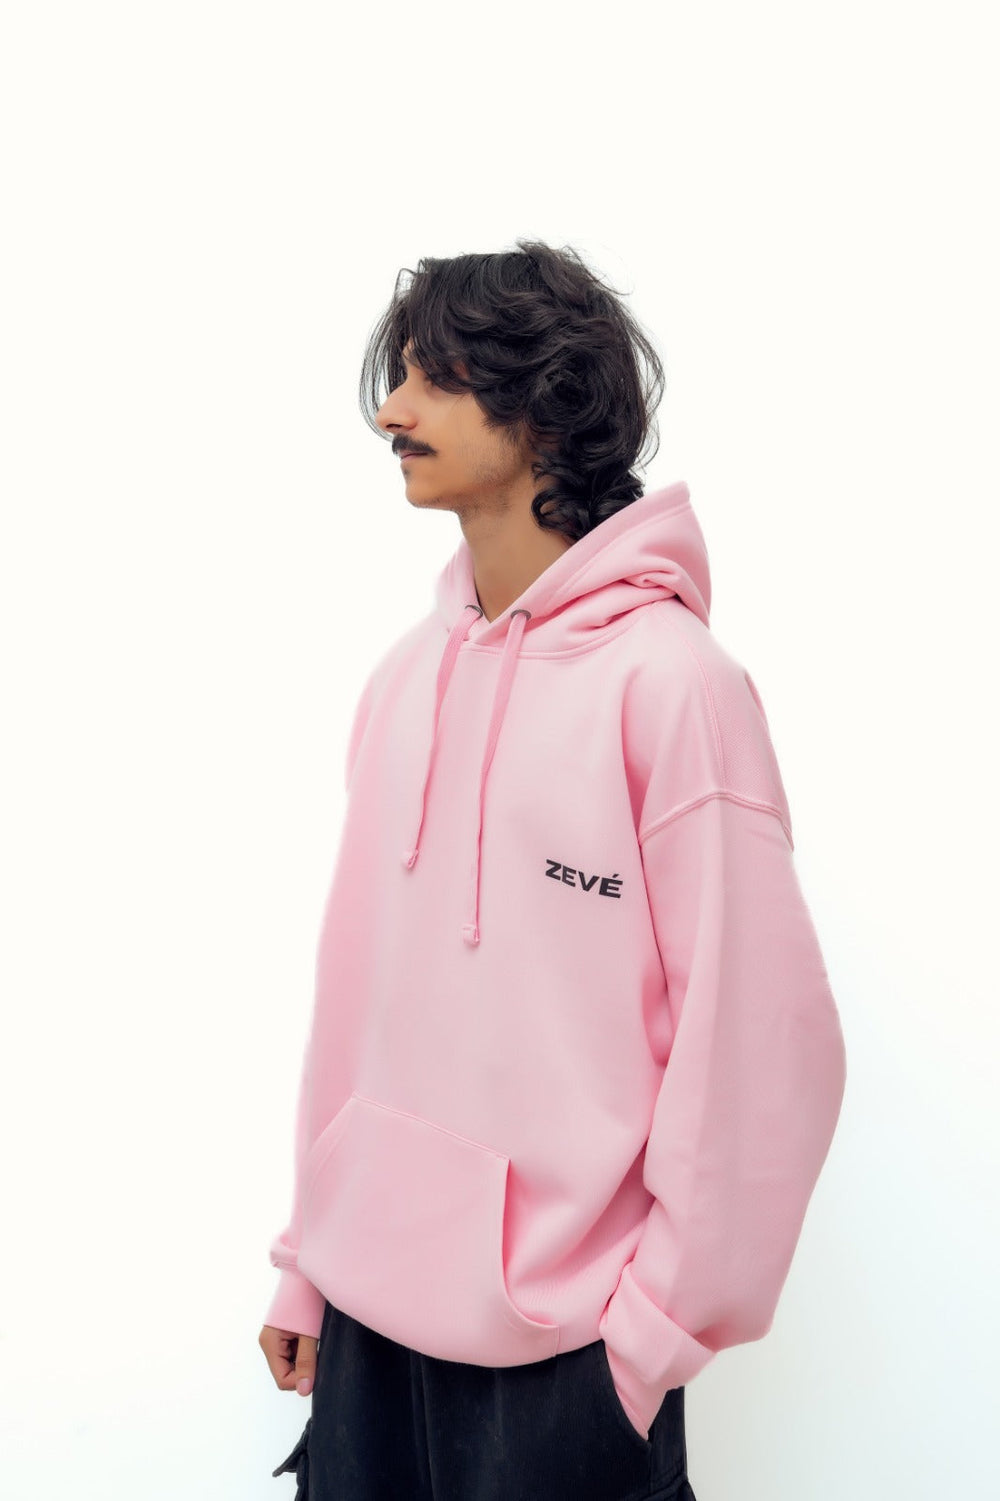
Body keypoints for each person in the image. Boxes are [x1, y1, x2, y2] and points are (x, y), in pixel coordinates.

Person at [259, 240, 847, 1500]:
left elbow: (762, 1047)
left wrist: (646, 1345)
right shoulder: (404, 676)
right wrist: (309, 1257)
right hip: (365, 1327)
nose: (391, 410)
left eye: (436, 377)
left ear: (545, 406)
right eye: (396, 375)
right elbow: (355, 1001)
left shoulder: (672, 687)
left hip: (567, 1358)